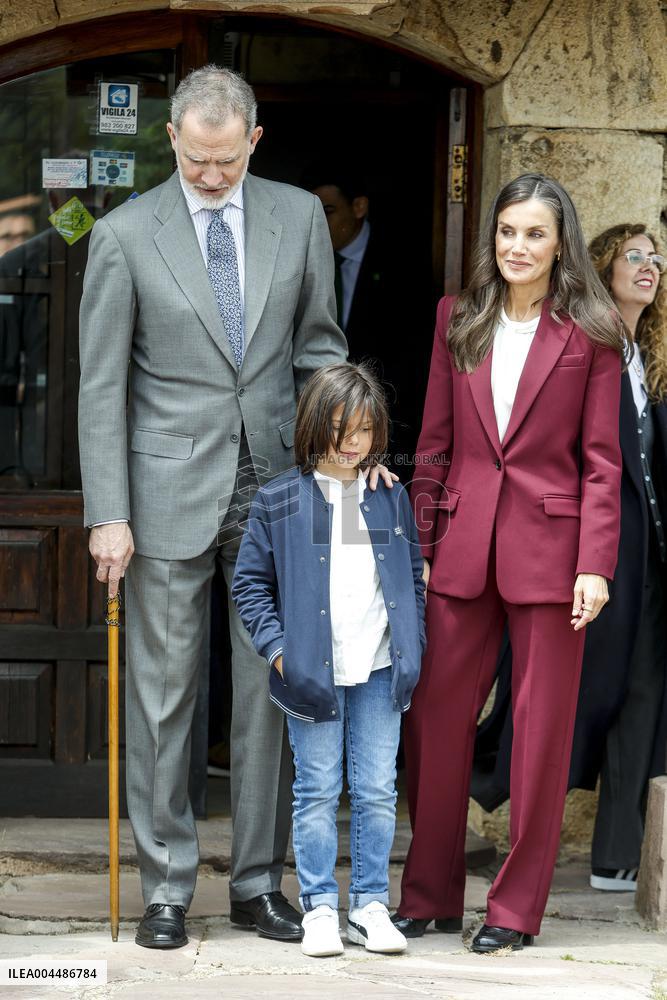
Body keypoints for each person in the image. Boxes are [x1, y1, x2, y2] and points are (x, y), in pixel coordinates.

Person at [78, 65, 349, 949]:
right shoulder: (123, 236)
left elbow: (319, 350)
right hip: (160, 493)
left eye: (225, 161)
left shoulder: (299, 216)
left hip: (275, 484)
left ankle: (256, 884)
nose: (209, 177)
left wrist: (335, 465)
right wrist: (105, 512)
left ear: (253, 142)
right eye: (196, 161)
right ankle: (165, 887)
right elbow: (100, 387)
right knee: (162, 696)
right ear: (171, 142)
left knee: (271, 688)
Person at [392, 173, 624, 953]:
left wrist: (594, 562)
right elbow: (432, 444)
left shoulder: (589, 330)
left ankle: (514, 910)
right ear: (489, 238)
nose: (516, 247)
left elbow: (601, 461)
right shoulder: (454, 318)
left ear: (559, 242)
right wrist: (421, 549)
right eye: (505, 232)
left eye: (533, 233)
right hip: (457, 550)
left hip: (554, 556)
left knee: (538, 732)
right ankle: (427, 896)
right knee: (431, 722)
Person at [232, 362, 426, 958]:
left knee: (374, 789)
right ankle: (319, 906)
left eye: (364, 430)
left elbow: (413, 576)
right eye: (339, 427)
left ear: (377, 436)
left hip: (378, 668)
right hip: (311, 674)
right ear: (314, 426)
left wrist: (411, 643)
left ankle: (369, 905)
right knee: (315, 791)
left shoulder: (389, 496)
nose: (351, 441)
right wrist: (280, 651)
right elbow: (249, 585)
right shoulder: (281, 501)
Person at [582, 225, 667, 891]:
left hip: (651, 559)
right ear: (603, 266)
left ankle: (617, 855)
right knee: (594, 694)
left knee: (644, 694)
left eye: (655, 257)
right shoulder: (586, 345)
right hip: (601, 555)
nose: (648, 265)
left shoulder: (648, 354)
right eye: (632, 255)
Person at [301, 163, 432, 471]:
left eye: (328, 211)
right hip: (324, 428)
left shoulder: (404, 262)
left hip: (389, 428)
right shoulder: (305, 260)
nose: (318, 224)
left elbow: (414, 360)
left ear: (359, 207)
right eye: (312, 215)